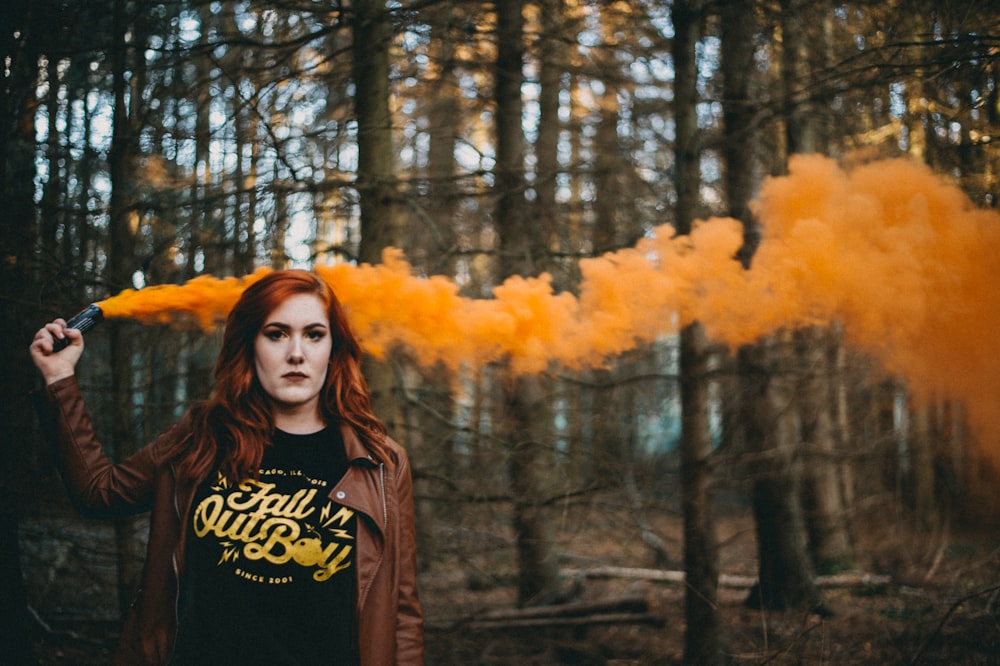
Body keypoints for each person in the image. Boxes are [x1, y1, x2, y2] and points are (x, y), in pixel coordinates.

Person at [30, 270, 424, 665]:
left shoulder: (380, 464)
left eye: (314, 334)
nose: (297, 353)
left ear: (333, 348)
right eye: (276, 333)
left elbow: (401, 611)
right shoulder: (199, 438)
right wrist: (59, 377)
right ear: (249, 344)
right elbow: (99, 491)